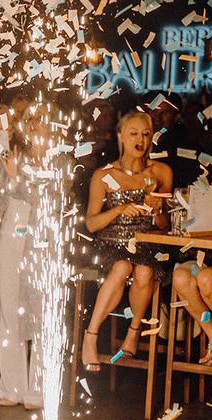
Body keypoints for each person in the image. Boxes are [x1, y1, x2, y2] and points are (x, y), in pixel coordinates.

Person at [81, 111, 173, 372]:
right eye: (134, 133)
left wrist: (158, 208)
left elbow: (165, 226)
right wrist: (119, 210)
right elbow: (91, 224)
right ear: (121, 136)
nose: (140, 140)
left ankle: (133, 331)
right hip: (111, 243)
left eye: (145, 134)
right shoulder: (103, 175)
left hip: (145, 244)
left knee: (144, 270)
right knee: (122, 266)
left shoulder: (161, 172)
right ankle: (91, 337)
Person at [0, 100, 46, 410]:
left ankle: (38, 390)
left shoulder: (56, 159)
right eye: (27, 119)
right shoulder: (9, 151)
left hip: (40, 236)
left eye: (38, 120)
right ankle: (12, 387)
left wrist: (17, 174)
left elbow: (37, 194)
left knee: (39, 310)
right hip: (11, 231)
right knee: (9, 307)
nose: (31, 125)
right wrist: (3, 121)